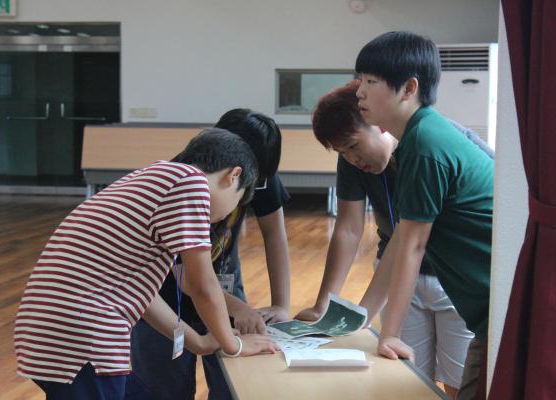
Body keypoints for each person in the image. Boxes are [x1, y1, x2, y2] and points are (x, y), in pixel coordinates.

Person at [13, 129, 278, 400]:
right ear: (233, 176)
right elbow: (203, 286)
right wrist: (234, 345)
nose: (227, 214)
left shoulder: (156, 178)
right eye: (237, 199)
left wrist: (198, 342)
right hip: (84, 337)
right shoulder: (193, 185)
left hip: (47, 329)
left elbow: (143, 297)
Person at [296, 80, 493, 398]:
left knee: (457, 380)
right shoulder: (354, 159)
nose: (351, 158)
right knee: (406, 375)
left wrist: (379, 326)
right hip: (399, 275)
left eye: (353, 146)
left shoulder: (433, 144)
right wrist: (326, 306)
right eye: (342, 151)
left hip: (454, 278)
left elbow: (411, 240)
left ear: (378, 121)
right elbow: (350, 230)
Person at [352, 31, 493, 400]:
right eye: (359, 80)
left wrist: (391, 334)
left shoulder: (425, 145)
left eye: (371, 82)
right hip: (491, 311)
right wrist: (363, 318)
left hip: (503, 308)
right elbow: (401, 239)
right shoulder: (421, 135)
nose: (359, 92)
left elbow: (412, 246)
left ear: (409, 88)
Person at [131, 109, 291, 400]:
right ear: (232, 171)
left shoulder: (258, 169)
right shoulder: (181, 184)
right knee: (164, 387)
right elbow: (189, 280)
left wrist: (280, 304)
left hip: (221, 284)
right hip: (164, 298)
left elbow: (274, 233)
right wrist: (235, 320)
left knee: (235, 383)